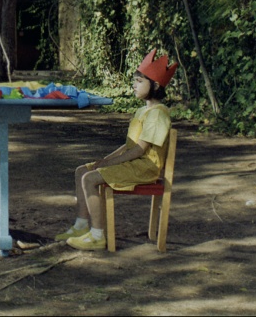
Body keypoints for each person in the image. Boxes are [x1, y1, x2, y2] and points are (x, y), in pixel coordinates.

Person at [57, 50, 176, 251]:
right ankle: (81, 225)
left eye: (140, 81)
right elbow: (129, 145)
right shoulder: (142, 111)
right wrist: (105, 159)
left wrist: (107, 164)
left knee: (89, 178)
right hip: (134, 162)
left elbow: (139, 151)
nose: (134, 85)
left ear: (155, 85)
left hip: (145, 168)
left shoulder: (158, 114)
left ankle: (97, 236)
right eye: (135, 81)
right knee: (82, 171)